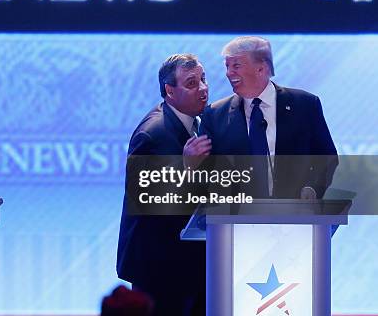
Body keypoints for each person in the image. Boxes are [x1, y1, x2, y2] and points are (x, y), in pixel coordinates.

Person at [117, 54, 210, 316]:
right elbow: (145, 200)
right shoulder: (152, 134)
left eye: (203, 79)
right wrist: (186, 169)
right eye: (192, 83)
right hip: (159, 268)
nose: (202, 88)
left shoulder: (199, 123)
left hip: (191, 261)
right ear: (170, 91)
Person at [200, 36, 338, 198]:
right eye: (227, 67)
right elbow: (207, 173)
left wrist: (313, 188)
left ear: (261, 68)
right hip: (237, 217)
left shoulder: (305, 105)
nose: (229, 73)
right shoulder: (214, 115)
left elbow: (327, 158)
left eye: (236, 66)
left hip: (296, 213)